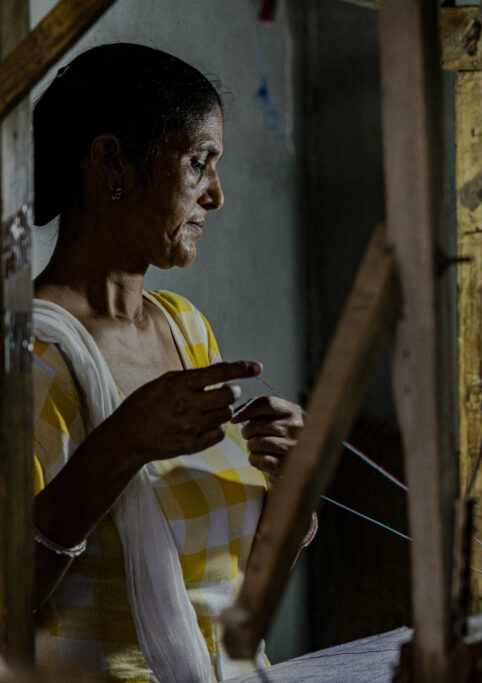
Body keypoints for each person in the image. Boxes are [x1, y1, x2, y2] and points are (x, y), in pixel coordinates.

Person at [30, 43, 307, 682]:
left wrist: (295, 484)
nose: (217, 195)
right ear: (112, 162)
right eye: (198, 162)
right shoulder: (30, 355)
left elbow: (243, 591)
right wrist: (119, 446)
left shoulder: (185, 328)